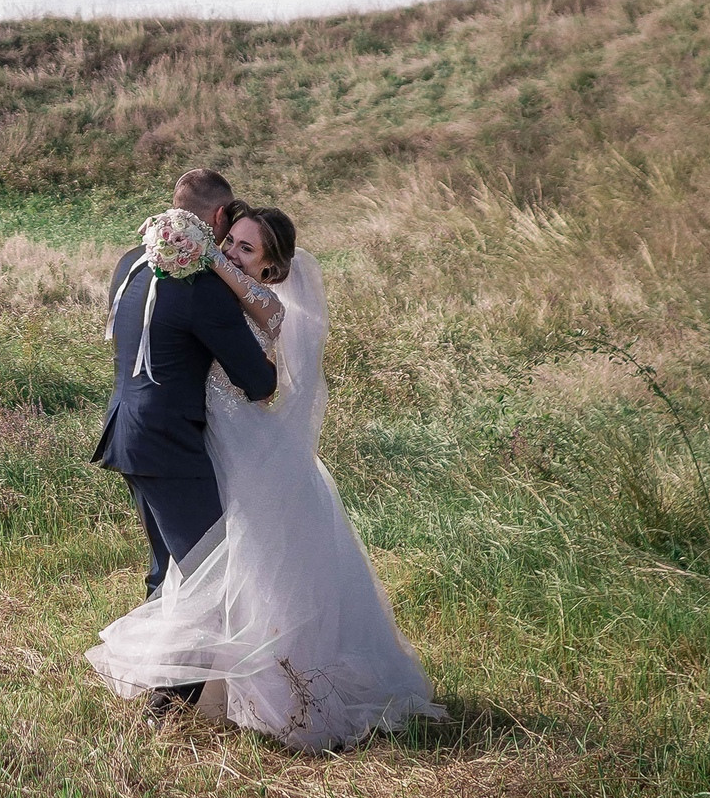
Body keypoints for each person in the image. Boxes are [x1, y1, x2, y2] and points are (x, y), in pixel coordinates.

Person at [89, 192, 447, 750]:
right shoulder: (205, 284)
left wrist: (213, 265)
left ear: (270, 267)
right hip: (194, 439)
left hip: (233, 440)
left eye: (244, 246)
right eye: (229, 239)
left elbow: (261, 380)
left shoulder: (257, 302)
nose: (229, 249)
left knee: (220, 568)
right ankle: (186, 691)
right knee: (201, 566)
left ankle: (206, 699)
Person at [92, 169, 279, 718]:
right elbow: (260, 382)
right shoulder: (197, 283)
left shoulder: (130, 262)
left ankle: (162, 686)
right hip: (170, 444)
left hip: (127, 429)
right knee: (208, 573)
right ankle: (167, 707)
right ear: (218, 220)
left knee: (167, 568)